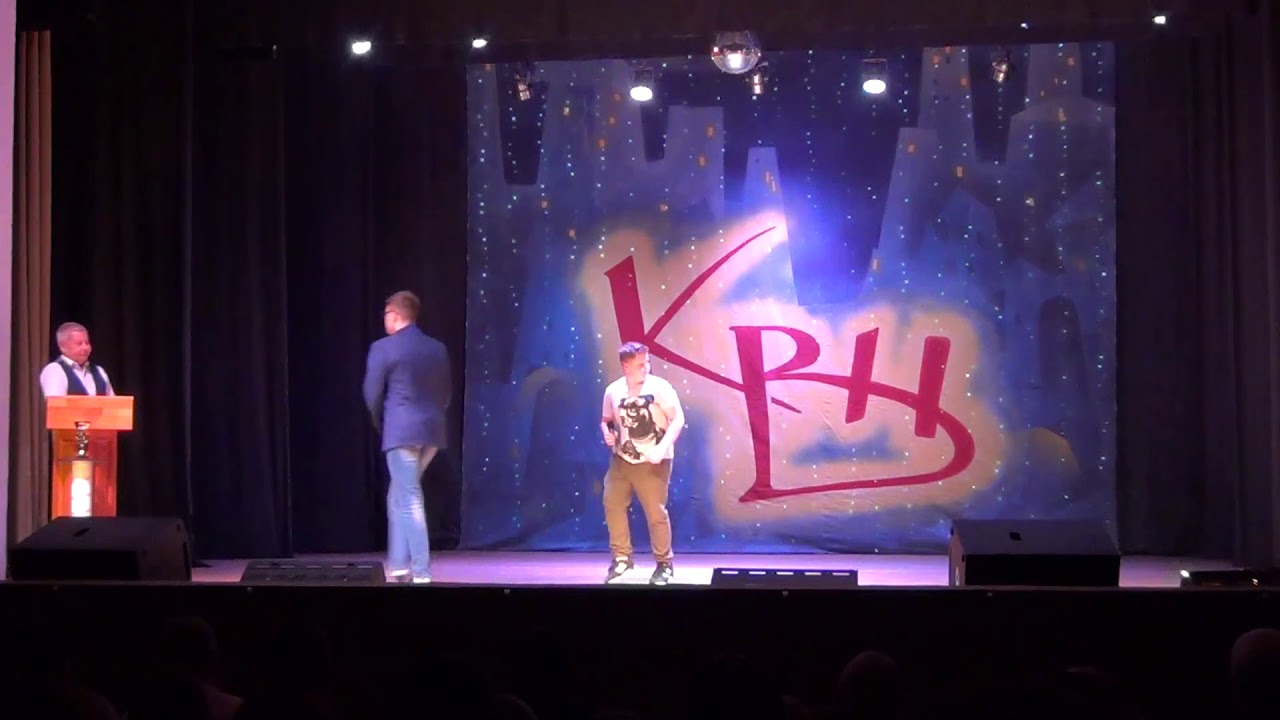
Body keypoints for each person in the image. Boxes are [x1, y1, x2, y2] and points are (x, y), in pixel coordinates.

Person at [362, 291, 451, 584]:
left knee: (409, 496)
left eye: (386, 314)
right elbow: (446, 393)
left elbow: (372, 395)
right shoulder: (437, 348)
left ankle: (422, 570)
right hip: (431, 433)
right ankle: (399, 565)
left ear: (396, 315)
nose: (384, 319)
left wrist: (383, 425)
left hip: (402, 431)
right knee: (398, 493)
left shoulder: (383, 348)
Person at [600, 341, 684, 585]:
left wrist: (662, 447)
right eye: (640, 364)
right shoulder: (613, 391)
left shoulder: (660, 388)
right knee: (612, 503)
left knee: (655, 513)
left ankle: (664, 564)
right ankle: (622, 559)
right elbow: (606, 420)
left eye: (647, 362)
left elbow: (678, 419)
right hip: (622, 460)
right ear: (626, 367)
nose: (646, 368)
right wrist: (607, 432)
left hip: (653, 461)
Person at [39, 322, 115, 397]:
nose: (85, 348)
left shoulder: (99, 371)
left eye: (87, 343)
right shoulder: (55, 370)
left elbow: (112, 402)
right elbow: (56, 403)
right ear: (62, 347)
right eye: (79, 344)